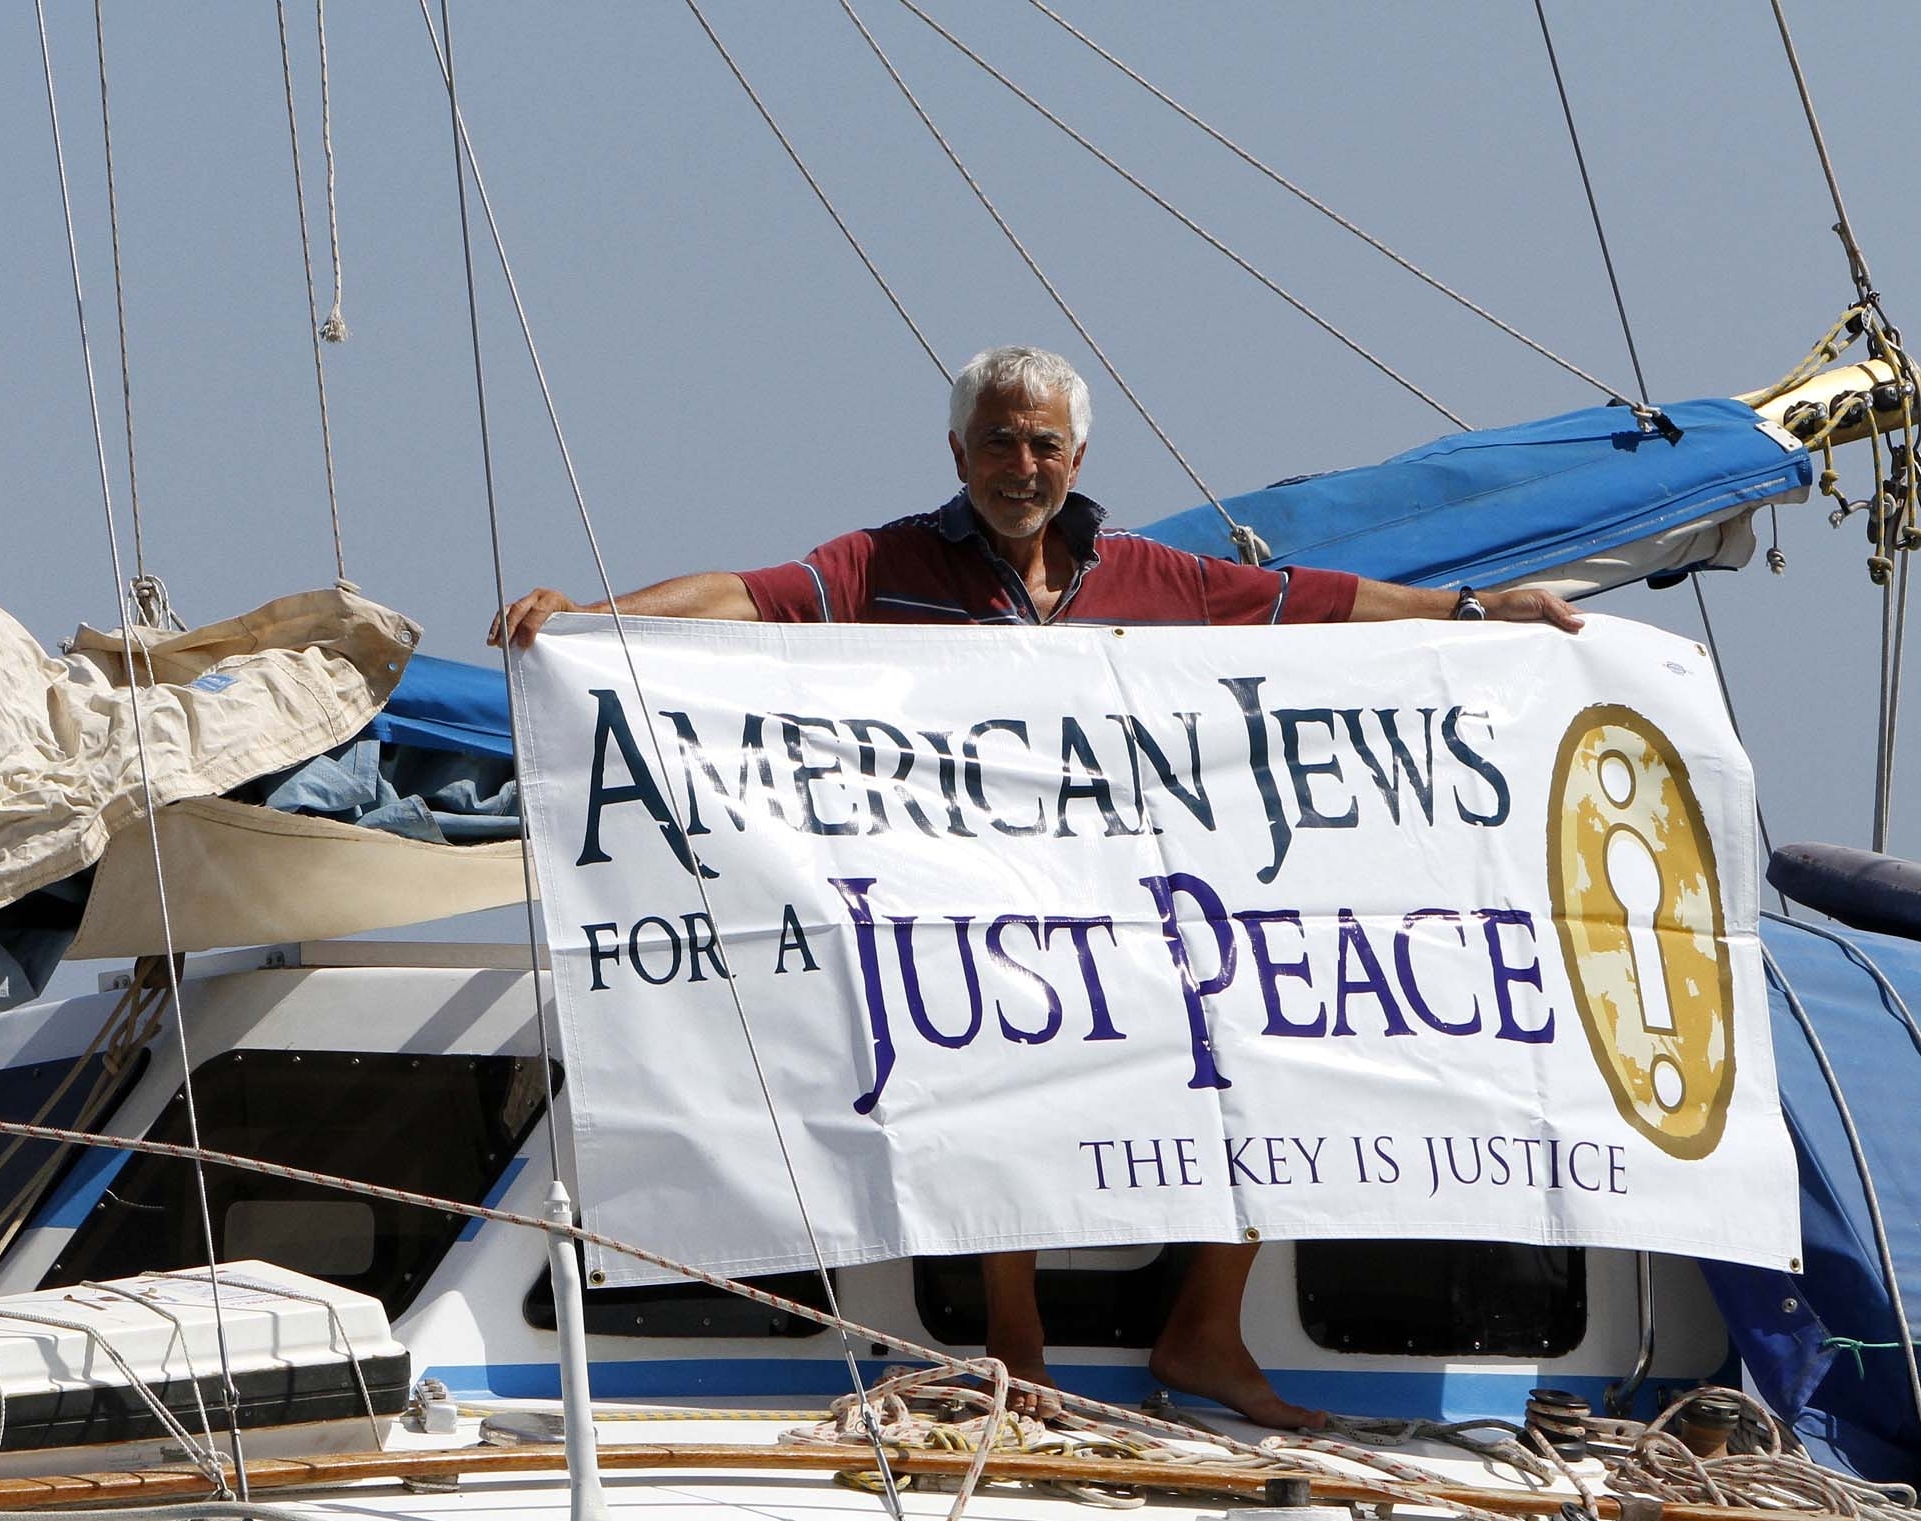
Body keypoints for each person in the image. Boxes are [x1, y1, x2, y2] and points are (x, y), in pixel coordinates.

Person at [492, 345, 1585, 1431]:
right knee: (990, 1048)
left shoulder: (1161, 579)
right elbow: (751, 594)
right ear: (959, 451)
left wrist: (1478, 616)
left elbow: (1314, 603)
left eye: (1044, 443)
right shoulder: (889, 565)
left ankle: (1207, 1328)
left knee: (1272, 1034)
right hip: (977, 903)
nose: (1023, 464)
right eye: (1001, 442)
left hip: (1143, 906)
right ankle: (1014, 1337)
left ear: (1079, 454)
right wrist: (593, 622)